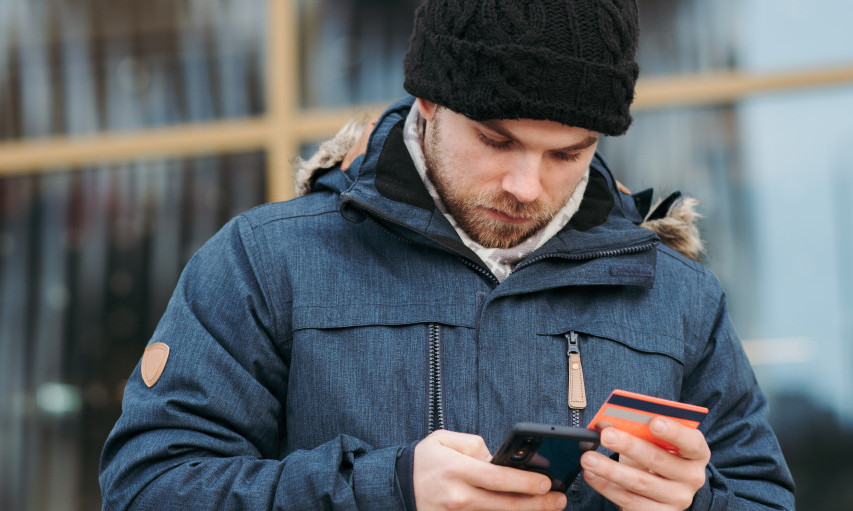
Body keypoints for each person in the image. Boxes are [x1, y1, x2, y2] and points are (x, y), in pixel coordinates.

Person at [100, 0, 795, 509]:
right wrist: (390, 488)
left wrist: (694, 502)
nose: (526, 185)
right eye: (496, 140)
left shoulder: (675, 295)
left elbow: (762, 498)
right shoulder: (264, 262)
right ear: (428, 101)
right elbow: (148, 487)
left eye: (567, 154)